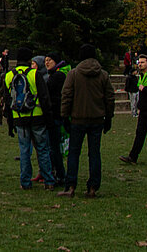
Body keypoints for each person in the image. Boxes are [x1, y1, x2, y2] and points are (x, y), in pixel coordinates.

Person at [58, 44, 114, 198]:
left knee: (74, 153)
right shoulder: (103, 75)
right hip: (97, 119)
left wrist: (65, 116)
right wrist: (109, 117)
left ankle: (70, 185)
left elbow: (66, 96)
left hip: (78, 118)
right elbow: (109, 97)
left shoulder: (74, 74)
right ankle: (93, 187)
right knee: (94, 153)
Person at [7, 48, 55, 190]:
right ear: (29, 60)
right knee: (42, 149)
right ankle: (49, 180)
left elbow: (7, 100)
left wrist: (10, 123)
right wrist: (49, 118)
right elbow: (44, 98)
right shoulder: (35, 74)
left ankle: (25, 181)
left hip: (19, 117)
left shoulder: (9, 75)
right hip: (37, 116)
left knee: (24, 150)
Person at [42, 53, 69, 186]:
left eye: (49, 60)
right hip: (57, 115)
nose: (47, 63)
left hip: (55, 116)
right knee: (54, 147)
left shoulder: (57, 76)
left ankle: (59, 174)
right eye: (45, 61)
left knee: (53, 148)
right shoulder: (57, 75)